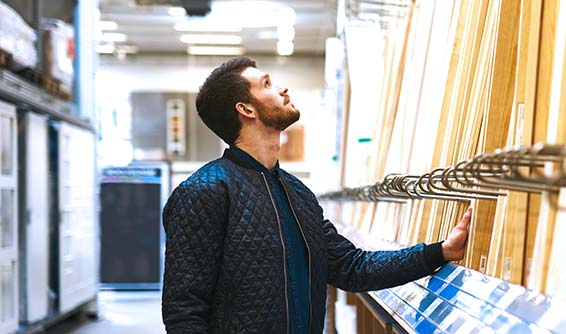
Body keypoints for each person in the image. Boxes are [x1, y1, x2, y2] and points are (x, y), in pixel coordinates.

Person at [161, 57, 472, 333]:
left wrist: (438, 252)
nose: (282, 89)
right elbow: (184, 311)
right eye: (267, 84)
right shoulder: (205, 192)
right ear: (246, 109)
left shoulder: (298, 195)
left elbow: (351, 268)